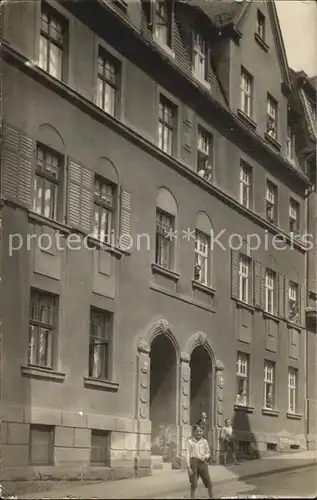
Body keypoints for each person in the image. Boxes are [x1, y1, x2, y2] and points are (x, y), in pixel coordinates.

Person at [186, 425, 213, 499]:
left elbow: (208, 453)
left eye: (200, 431)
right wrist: (188, 467)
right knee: (194, 483)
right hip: (194, 463)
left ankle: (211, 497)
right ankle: (192, 497)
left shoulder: (204, 441)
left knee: (209, 482)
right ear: (194, 432)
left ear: (203, 432)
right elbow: (188, 454)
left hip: (203, 463)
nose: (199, 433)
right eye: (197, 431)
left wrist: (205, 457)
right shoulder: (190, 441)